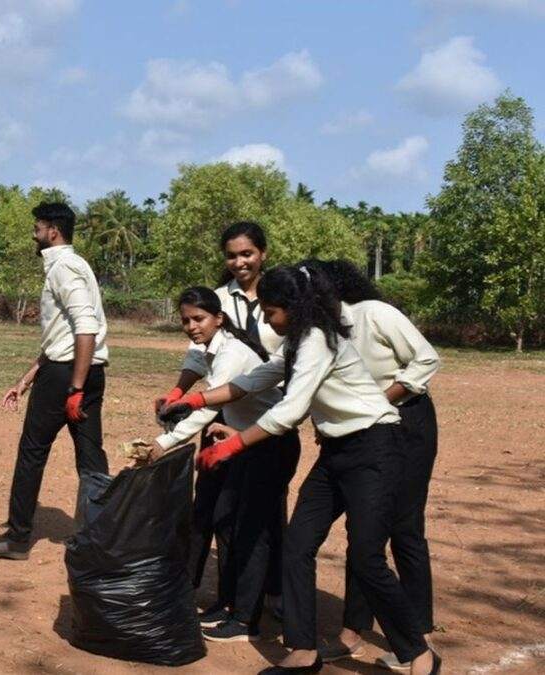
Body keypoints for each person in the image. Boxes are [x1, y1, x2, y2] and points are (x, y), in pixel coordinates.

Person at [173, 265, 439, 675]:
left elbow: (289, 412)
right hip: (336, 451)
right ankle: (302, 650)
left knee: (367, 556)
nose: (264, 318)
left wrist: (233, 446)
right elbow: (255, 379)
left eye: (269, 310)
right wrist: (195, 401)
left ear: (294, 308)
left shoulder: (318, 340)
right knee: (297, 546)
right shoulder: (297, 341)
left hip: (375, 448)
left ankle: (418, 653)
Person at [154, 221, 294, 618]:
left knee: (264, 512)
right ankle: (209, 591)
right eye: (231, 256)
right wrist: (181, 393)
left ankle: (269, 594)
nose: (239, 262)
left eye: (246, 254)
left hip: (263, 418)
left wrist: (171, 435)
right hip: (218, 415)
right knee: (214, 509)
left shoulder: (281, 296)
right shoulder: (216, 300)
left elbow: (284, 362)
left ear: (262, 253)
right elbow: (198, 358)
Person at [312, 260, 440, 671]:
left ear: (331, 290)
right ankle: (353, 629)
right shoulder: (322, 335)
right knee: (364, 530)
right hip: (363, 431)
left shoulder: (376, 314)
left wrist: (376, 402)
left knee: (404, 528)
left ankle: (417, 636)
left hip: (408, 423)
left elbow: (426, 360)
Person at [0, 202, 109, 560]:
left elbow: (86, 327)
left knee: (32, 451)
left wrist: (74, 388)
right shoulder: (73, 266)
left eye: (37, 228)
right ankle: (104, 539)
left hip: (69, 374)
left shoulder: (64, 268)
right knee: (91, 457)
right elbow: (61, 336)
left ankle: (17, 539)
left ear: (53, 231)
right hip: (82, 370)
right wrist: (28, 378)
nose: (34, 234)